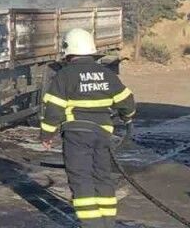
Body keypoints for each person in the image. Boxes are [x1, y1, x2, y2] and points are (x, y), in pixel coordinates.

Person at [41, 28, 136, 227]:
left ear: (68, 51)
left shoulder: (64, 75)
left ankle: (92, 224)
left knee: (81, 178)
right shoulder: (106, 74)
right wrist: (127, 118)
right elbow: (127, 102)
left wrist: (47, 134)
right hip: (103, 135)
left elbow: (54, 109)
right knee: (102, 176)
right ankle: (107, 223)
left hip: (76, 135)